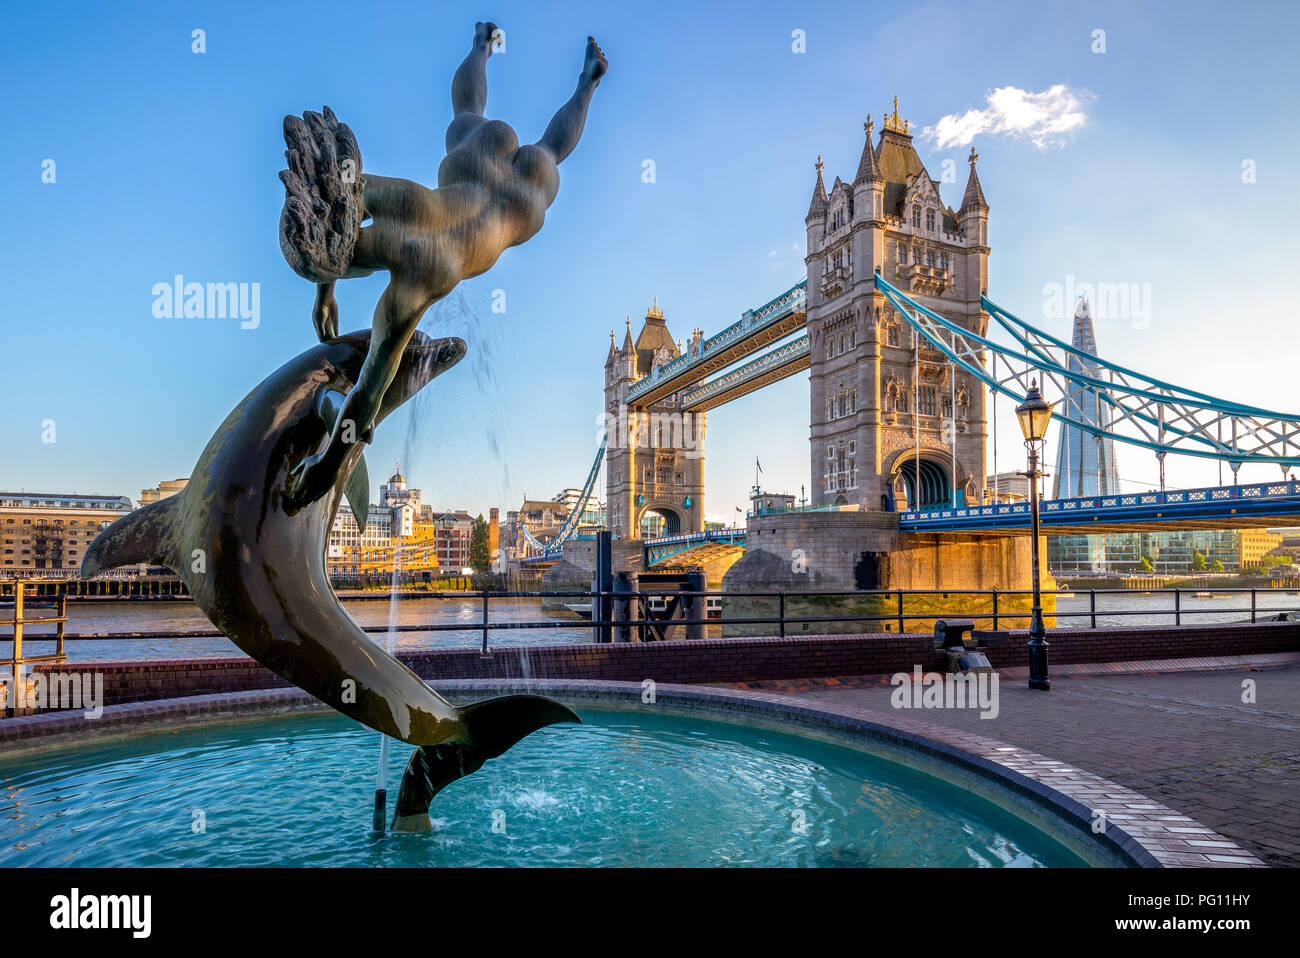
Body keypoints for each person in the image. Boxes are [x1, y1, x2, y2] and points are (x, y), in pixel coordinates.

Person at [279, 22, 609, 506]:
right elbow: (337, 210)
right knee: (467, 113)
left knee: (550, 151)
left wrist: (325, 467)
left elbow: (367, 397)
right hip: (479, 160)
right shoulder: (398, 199)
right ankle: (485, 46)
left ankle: (587, 83)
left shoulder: (412, 290)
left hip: (520, 206)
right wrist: (324, 286)